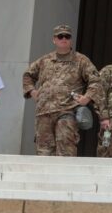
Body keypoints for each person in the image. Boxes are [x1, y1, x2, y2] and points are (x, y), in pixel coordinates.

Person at [22, 24, 102, 156]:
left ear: (70, 40)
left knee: (66, 152)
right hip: (44, 113)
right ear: (54, 40)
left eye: (67, 36)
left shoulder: (81, 60)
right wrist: (32, 91)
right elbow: (28, 75)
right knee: (43, 153)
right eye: (60, 36)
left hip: (67, 111)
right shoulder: (44, 60)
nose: (63, 39)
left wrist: (87, 97)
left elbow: (96, 80)